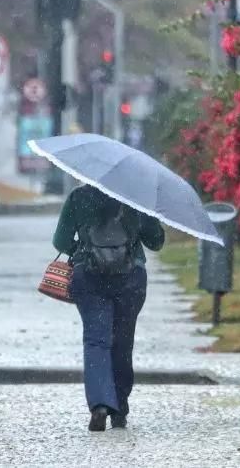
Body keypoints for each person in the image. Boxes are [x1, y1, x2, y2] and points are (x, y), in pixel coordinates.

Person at [52, 183, 165, 431]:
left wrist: (83, 251)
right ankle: (120, 408)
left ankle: (100, 404)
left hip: (89, 277)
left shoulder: (78, 197)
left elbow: (60, 241)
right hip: (131, 278)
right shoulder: (136, 195)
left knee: (96, 340)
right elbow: (156, 242)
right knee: (123, 342)